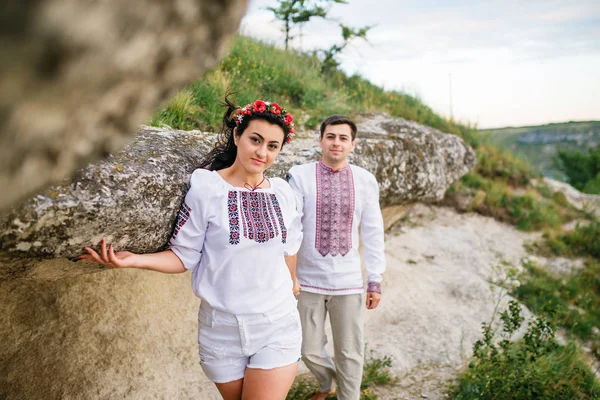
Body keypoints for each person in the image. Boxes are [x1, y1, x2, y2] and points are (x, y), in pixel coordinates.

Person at [79, 95, 303, 400]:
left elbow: (289, 247)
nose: (262, 152)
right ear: (238, 135)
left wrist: (291, 282)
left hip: (276, 324)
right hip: (220, 330)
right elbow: (183, 256)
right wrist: (134, 260)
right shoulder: (207, 189)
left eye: (273, 146)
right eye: (255, 139)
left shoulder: (283, 193)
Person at [286, 115, 386, 400]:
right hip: (307, 282)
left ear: (352, 144)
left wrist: (375, 279)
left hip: (348, 283)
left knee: (350, 351)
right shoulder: (300, 175)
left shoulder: (365, 181)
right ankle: (327, 383)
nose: (336, 142)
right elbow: (291, 228)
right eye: (330, 136)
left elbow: (373, 231)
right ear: (320, 141)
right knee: (308, 349)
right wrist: (289, 275)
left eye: (343, 138)